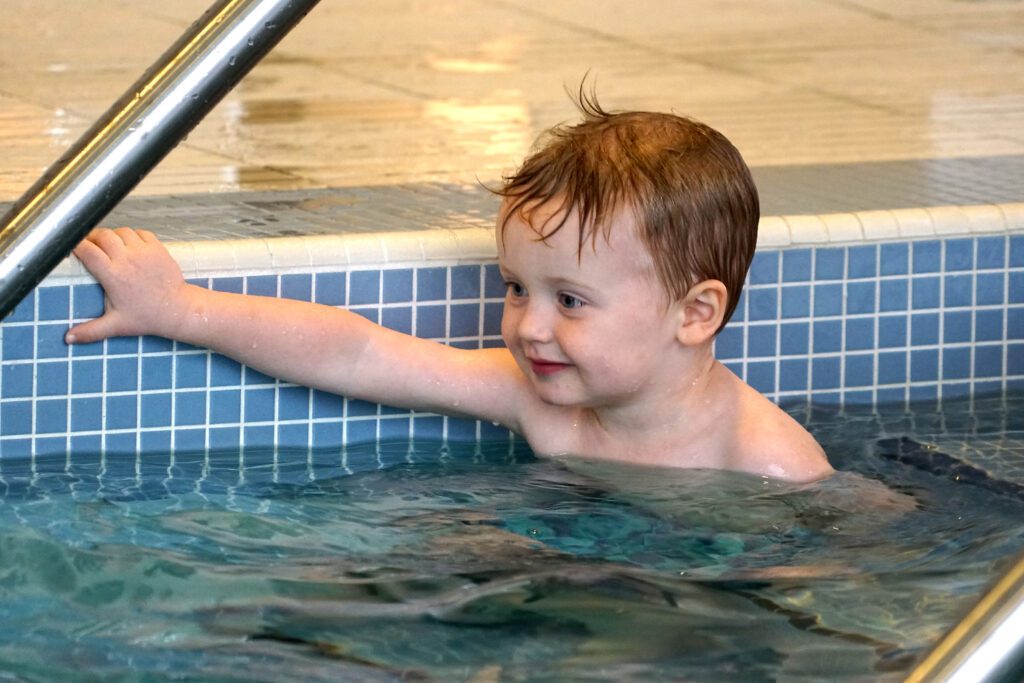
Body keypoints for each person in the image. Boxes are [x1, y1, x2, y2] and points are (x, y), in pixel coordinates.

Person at [65, 94, 833, 483]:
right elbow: (361, 353)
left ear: (695, 313)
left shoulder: (764, 462)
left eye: (568, 300)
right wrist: (182, 308)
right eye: (516, 287)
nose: (529, 327)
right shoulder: (532, 392)